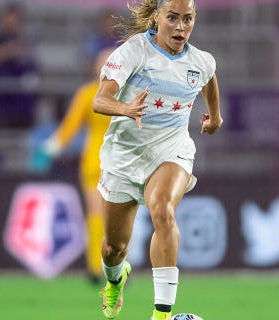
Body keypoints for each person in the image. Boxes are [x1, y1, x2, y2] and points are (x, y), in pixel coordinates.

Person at [92, 1, 222, 319]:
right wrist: (125, 109)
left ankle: (161, 313)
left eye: (187, 19)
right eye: (173, 18)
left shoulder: (200, 61)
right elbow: (100, 98)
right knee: (113, 249)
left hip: (171, 149)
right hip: (125, 154)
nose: (180, 27)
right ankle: (115, 278)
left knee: (162, 209)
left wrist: (215, 117)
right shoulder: (134, 52)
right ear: (157, 17)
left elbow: (209, 78)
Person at [40, 47, 115, 283]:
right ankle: (95, 268)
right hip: (97, 163)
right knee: (97, 215)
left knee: (117, 220)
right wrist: (53, 145)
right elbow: (70, 125)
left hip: (121, 163)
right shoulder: (88, 94)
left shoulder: (123, 93)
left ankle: (115, 267)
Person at [0, 2, 39, 129]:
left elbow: (34, 66)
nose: (12, 23)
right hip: (2, 101)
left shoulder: (26, 40)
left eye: (17, 19)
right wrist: (8, 50)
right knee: (2, 142)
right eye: (9, 18)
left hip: (24, 103)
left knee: (24, 142)